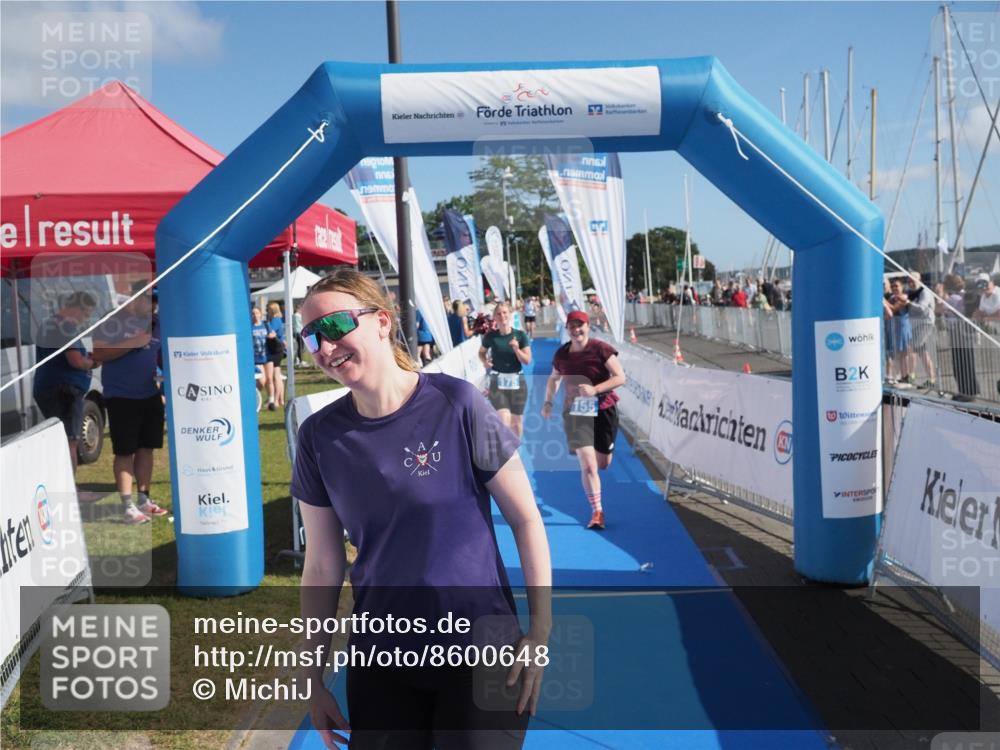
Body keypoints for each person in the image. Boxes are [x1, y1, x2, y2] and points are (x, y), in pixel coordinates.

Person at [293, 269, 551, 749]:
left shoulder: (457, 403)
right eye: (311, 336)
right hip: (382, 659)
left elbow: (526, 519)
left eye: (334, 327)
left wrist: (539, 633)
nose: (325, 348)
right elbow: (323, 565)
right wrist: (312, 678)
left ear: (382, 321)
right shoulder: (318, 437)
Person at [541, 310, 626, 530]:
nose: (576, 330)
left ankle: (597, 486)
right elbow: (554, 379)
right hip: (576, 412)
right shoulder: (562, 354)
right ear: (567, 329)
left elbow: (620, 377)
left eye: (580, 325)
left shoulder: (601, 349)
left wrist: (595, 389)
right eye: (572, 326)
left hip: (604, 409)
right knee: (588, 465)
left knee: (602, 464)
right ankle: (597, 512)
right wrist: (548, 402)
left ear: (588, 326)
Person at [92, 284, 168, 524]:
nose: (152, 306)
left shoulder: (157, 323)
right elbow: (99, 354)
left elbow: (161, 354)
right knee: (125, 451)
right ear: (133, 300)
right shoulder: (112, 321)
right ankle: (127, 506)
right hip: (121, 397)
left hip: (149, 394)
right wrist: (134, 342)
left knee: (147, 448)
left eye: (154, 301)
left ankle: (144, 499)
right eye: (148, 301)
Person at [33, 291, 99, 475]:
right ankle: (68, 488)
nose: (86, 318)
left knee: (59, 439)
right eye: (86, 313)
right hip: (64, 391)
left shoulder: (48, 324)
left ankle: (60, 482)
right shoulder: (66, 327)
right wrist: (95, 362)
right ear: (76, 308)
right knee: (70, 441)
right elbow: (76, 360)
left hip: (48, 387)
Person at [480, 302, 532, 438]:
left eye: (505, 313)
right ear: (494, 318)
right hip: (497, 383)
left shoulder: (520, 336)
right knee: (503, 419)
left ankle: (515, 447)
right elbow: (481, 352)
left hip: (517, 382)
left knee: (516, 421)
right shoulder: (490, 336)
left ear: (510, 315)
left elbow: (527, 360)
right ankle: (506, 448)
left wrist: (516, 349)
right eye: (498, 313)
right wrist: (484, 361)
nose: (502, 316)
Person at [940, 274, 979, 402]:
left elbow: (941, 309)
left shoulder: (954, 298)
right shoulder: (963, 296)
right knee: (965, 362)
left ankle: (966, 391)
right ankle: (967, 391)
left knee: (961, 363)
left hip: (959, 332)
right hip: (961, 332)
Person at [906, 272, 937, 387]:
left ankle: (911, 376)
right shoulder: (911, 292)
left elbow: (922, 308)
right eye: (909, 281)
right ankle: (931, 378)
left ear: (920, 280)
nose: (911, 283)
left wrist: (908, 303)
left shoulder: (925, 291)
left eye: (913, 280)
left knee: (912, 348)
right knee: (922, 352)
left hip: (925, 323)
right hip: (916, 325)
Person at [885, 277, 914, 385]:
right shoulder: (892, 297)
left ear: (902, 287)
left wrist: (883, 301)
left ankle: (906, 375)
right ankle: (901, 375)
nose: (894, 288)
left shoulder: (904, 297)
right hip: (895, 327)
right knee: (899, 353)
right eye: (892, 286)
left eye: (896, 286)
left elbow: (893, 308)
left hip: (903, 327)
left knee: (904, 352)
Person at [265, 301, 286, 410]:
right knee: (278, 375)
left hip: (275, 349)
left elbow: (270, 332)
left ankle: (277, 400)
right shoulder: (279, 319)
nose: (266, 311)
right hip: (278, 348)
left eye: (268, 309)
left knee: (276, 376)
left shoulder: (275, 320)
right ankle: (281, 399)